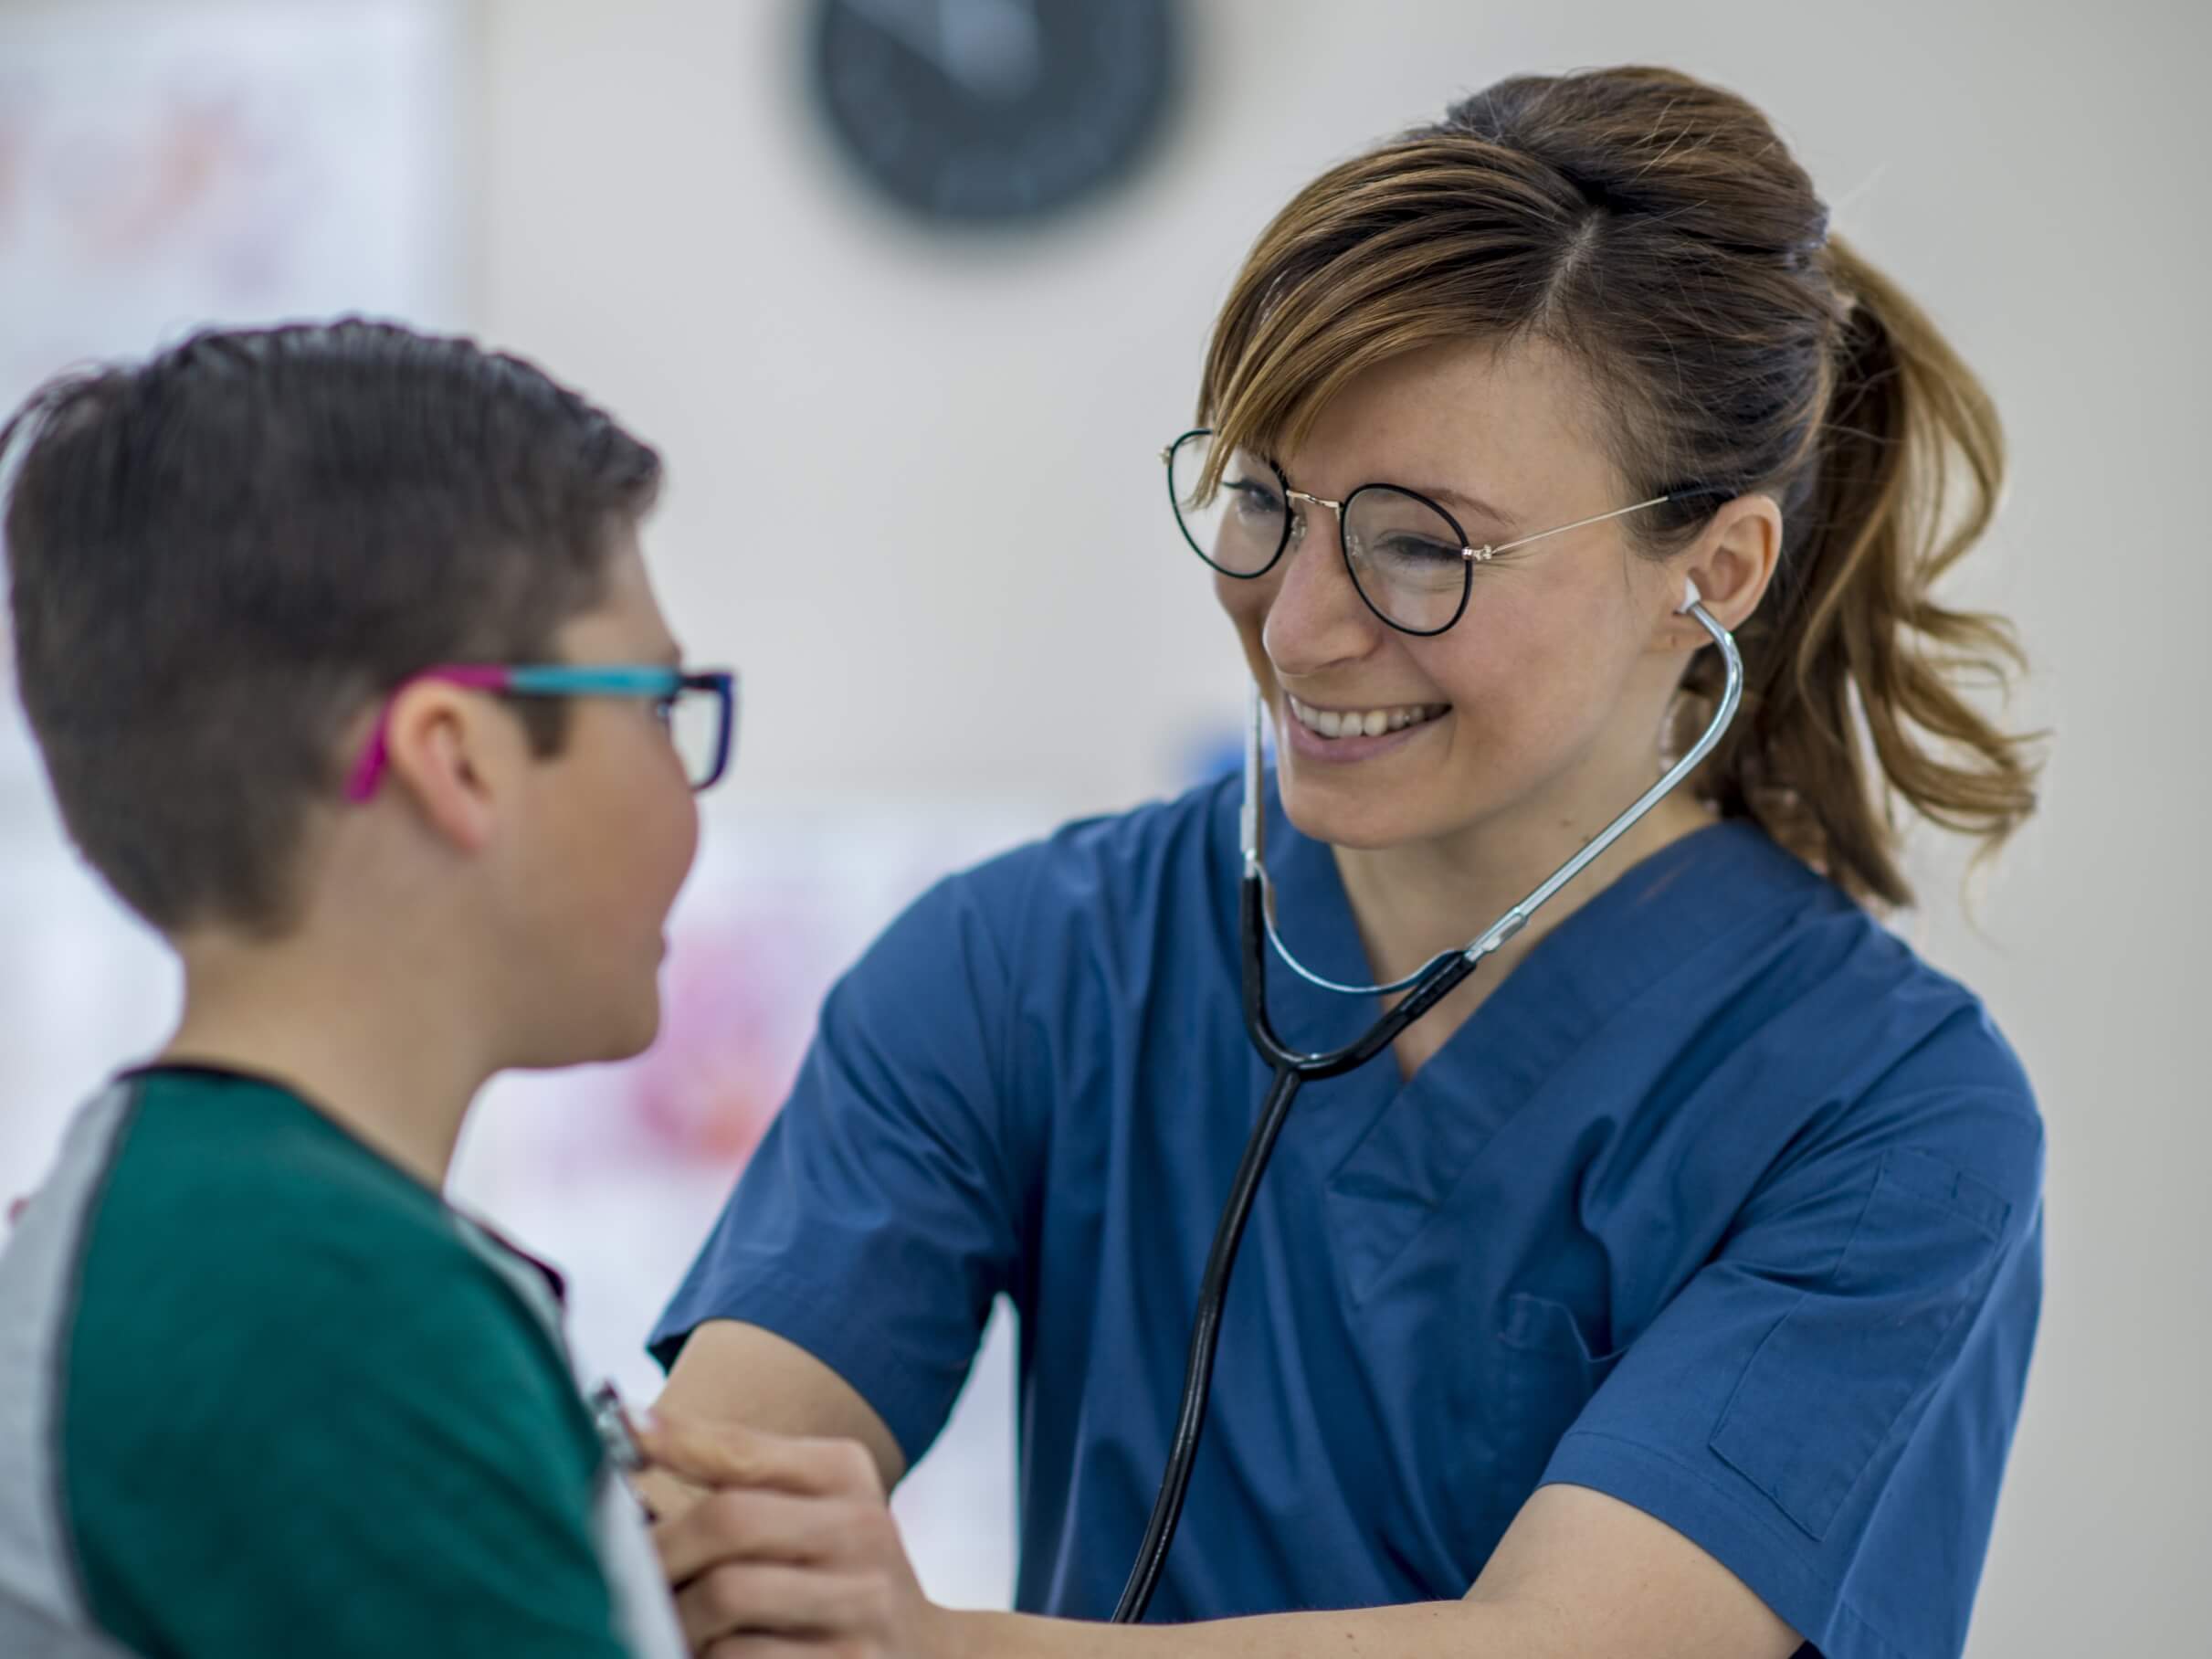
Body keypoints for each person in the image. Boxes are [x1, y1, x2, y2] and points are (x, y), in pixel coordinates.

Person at [640, 65, 2047, 1659]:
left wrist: (934, 1646)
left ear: (1709, 573)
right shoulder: (1024, 965)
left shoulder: (1882, 1115)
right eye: (1261, 500)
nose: (1295, 627)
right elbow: (714, 1503)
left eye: (1418, 544)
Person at [0, 321, 735, 1656]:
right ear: (454, 760)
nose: (686, 783)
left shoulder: (219, 1228)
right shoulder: (316, 1313)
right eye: (657, 702)